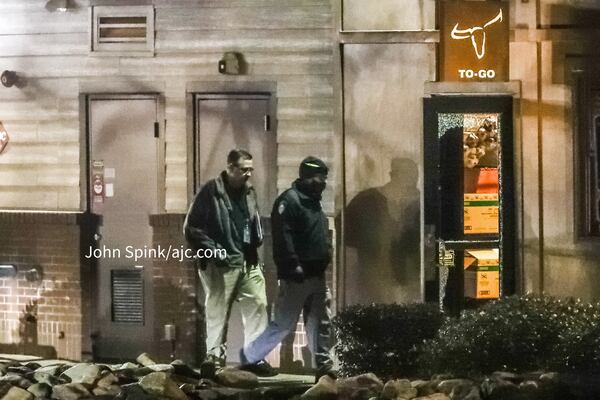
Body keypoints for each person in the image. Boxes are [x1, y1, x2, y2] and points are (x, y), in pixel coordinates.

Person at [183, 149, 276, 376]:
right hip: (221, 263)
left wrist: (255, 243)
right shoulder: (210, 192)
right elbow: (191, 228)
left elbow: (249, 221)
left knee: (258, 303)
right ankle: (214, 357)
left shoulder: (249, 192)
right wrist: (215, 252)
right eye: (244, 169)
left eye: (250, 170)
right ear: (230, 168)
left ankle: (254, 358)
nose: (248, 174)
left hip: (247, 259)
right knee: (218, 309)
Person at [240, 156, 334, 379]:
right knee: (283, 324)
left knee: (319, 322)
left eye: (324, 178)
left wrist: (325, 257)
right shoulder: (289, 201)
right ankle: (250, 357)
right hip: (297, 276)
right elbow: (283, 238)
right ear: (307, 177)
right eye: (319, 177)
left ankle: (323, 364)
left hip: (316, 274)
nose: (322, 182)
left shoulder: (313, 201)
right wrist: (293, 266)